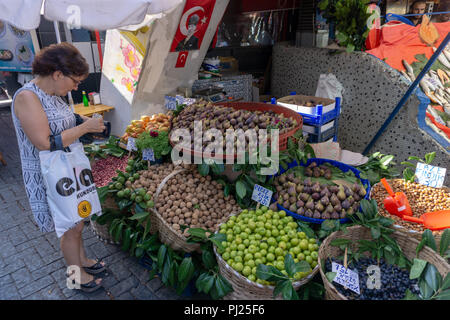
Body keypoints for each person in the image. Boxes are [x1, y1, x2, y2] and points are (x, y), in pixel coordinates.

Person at [11, 42, 106, 293]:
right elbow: (45, 143)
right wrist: (85, 128)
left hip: (67, 170)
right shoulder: (27, 98)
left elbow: (67, 120)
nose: (76, 87)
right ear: (57, 74)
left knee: (78, 219)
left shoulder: (54, 95)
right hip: (49, 174)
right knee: (69, 226)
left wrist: (85, 121)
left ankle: (82, 260)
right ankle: (76, 275)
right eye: (75, 82)